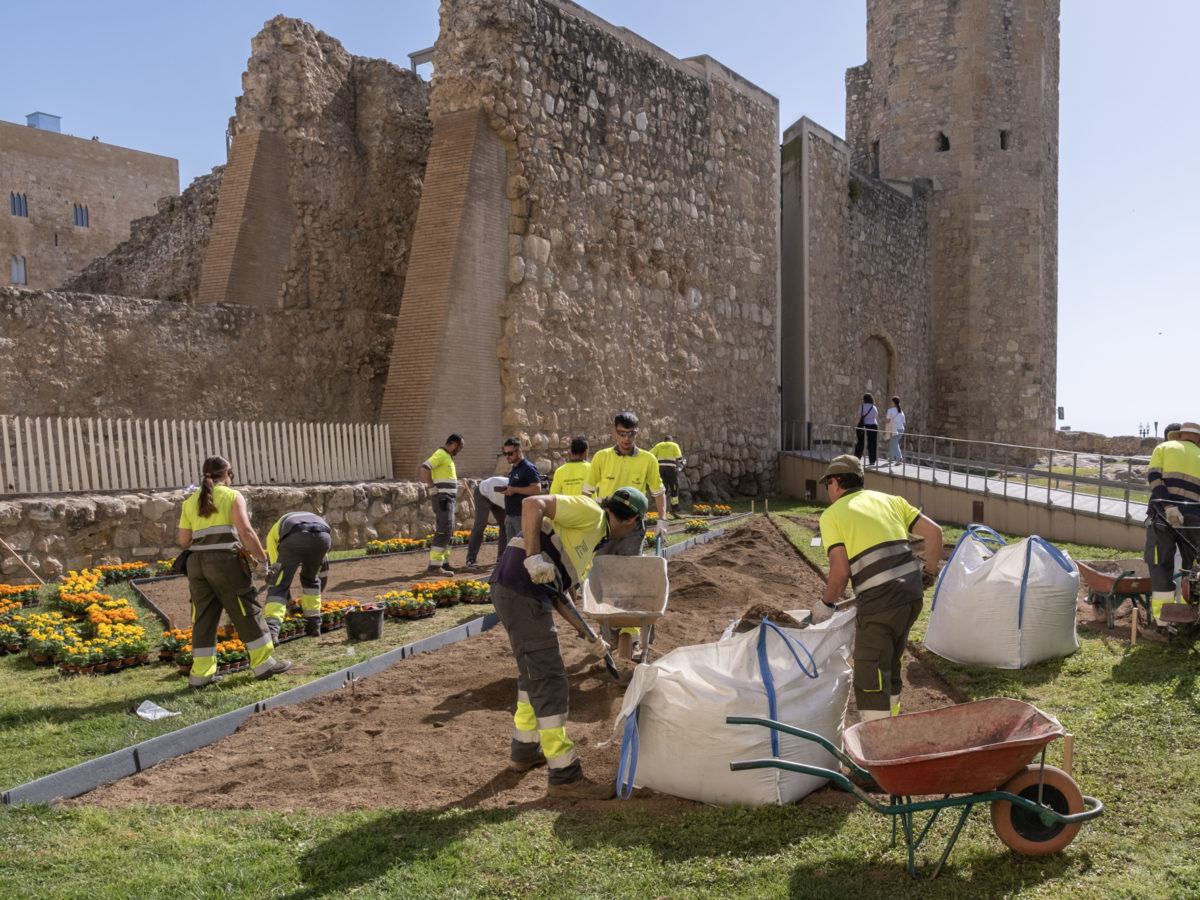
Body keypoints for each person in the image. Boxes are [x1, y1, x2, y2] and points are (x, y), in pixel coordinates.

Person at [489, 486, 648, 799]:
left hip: (520, 590)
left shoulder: (592, 535)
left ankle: (525, 749)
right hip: (520, 589)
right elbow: (532, 503)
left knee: (533, 671)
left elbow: (555, 591)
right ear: (634, 521)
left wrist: (588, 634)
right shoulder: (590, 512)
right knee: (550, 679)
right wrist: (533, 557)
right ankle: (564, 775)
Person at [813, 454, 942, 721]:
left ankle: (877, 743)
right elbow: (935, 533)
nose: (828, 491)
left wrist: (826, 605)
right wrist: (929, 573)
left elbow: (841, 571)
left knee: (869, 673)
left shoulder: (832, 514)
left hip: (881, 604)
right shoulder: (890, 501)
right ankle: (891, 724)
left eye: (828, 484)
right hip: (911, 597)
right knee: (891, 661)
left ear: (836, 482)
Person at [176, 455, 291, 687]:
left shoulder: (190, 502)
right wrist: (262, 560)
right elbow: (246, 532)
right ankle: (263, 663)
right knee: (245, 607)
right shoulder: (231, 496)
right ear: (227, 473)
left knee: (203, 617)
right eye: (232, 474)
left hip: (196, 563)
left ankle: (200, 675)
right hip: (224, 562)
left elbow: (184, 541)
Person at [582, 412, 669, 554]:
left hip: (633, 526)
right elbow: (587, 492)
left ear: (637, 432)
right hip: (605, 524)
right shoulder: (601, 457)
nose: (626, 438)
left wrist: (663, 520)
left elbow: (659, 492)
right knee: (601, 567)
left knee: (631, 568)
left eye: (631, 434)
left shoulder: (648, 459)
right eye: (622, 433)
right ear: (614, 431)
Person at [1144, 421, 1200, 635]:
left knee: (1160, 564)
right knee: (1193, 569)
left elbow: (1154, 479)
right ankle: (1191, 619)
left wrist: (1169, 506)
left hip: (1163, 518)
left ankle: (1162, 622)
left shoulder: (1164, 447)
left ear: (1180, 435)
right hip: (1195, 521)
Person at [262, 512, 331, 642]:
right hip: (324, 536)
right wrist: (317, 589)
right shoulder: (315, 525)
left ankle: (272, 630)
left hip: (295, 536)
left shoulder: (272, 536)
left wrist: (289, 602)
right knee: (311, 579)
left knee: (279, 583)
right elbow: (324, 571)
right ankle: (314, 625)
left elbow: (276, 571)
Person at [419, 434, 463, 575]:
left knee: (448, 529)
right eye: (460, 446)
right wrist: (432, 487)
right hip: (443, 498)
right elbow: (425, 468)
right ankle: (434, 566)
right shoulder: (441, 454)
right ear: (454, 444)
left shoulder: (446, 456)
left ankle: (444, 563)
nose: (460, 450)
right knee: (444, 529)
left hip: (447, 498)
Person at [498, 438, 542, 541]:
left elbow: (537, 489)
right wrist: (508, 514)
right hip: (512, 516)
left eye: (510, 453)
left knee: (523, 548)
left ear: (519, 451)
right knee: (512, 549)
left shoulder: (528, 468)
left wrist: (514, 490)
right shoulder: (514, 468)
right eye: (505, 454)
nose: (507, 456)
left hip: (523, 516)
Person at [464, 475, 508, 570]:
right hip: (483, 494)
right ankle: (471, 559)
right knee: (480, 525)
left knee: (505, 525)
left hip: (496, 497)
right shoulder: (509, 491)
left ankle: (501, 558)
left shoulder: (518, 494)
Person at [650, 435, 686, 518]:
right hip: (670, 470)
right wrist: (682, 463)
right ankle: (675, 509)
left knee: (663, 488)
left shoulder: (659, 445)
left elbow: (650, 455)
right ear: (671, 440)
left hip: (661, 469)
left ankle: (663, 509)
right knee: (674, 487)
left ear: (664, 440)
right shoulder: (674, 445)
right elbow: (679, 458)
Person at [853, 393, 880, 466]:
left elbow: (859, 417)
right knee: (872, 443)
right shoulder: (874, 407)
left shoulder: (861, 406)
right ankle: (872, 460)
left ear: (864, 399)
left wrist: (856, 426)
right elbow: (876, 417)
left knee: (860, 442)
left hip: (863, 426)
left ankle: (856, 459)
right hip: (873, 426)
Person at [883, 396, 906, 465]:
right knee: (894, 443)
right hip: (901, 429)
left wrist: (885, 430)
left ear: (893, 402)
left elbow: (887, 421)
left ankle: (899, 459)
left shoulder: (890, 410)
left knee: (894, 444)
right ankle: (891, 458)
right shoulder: (901, 411)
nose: (890, 403)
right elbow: (903, 422)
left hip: (894, 429)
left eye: (891, 402)